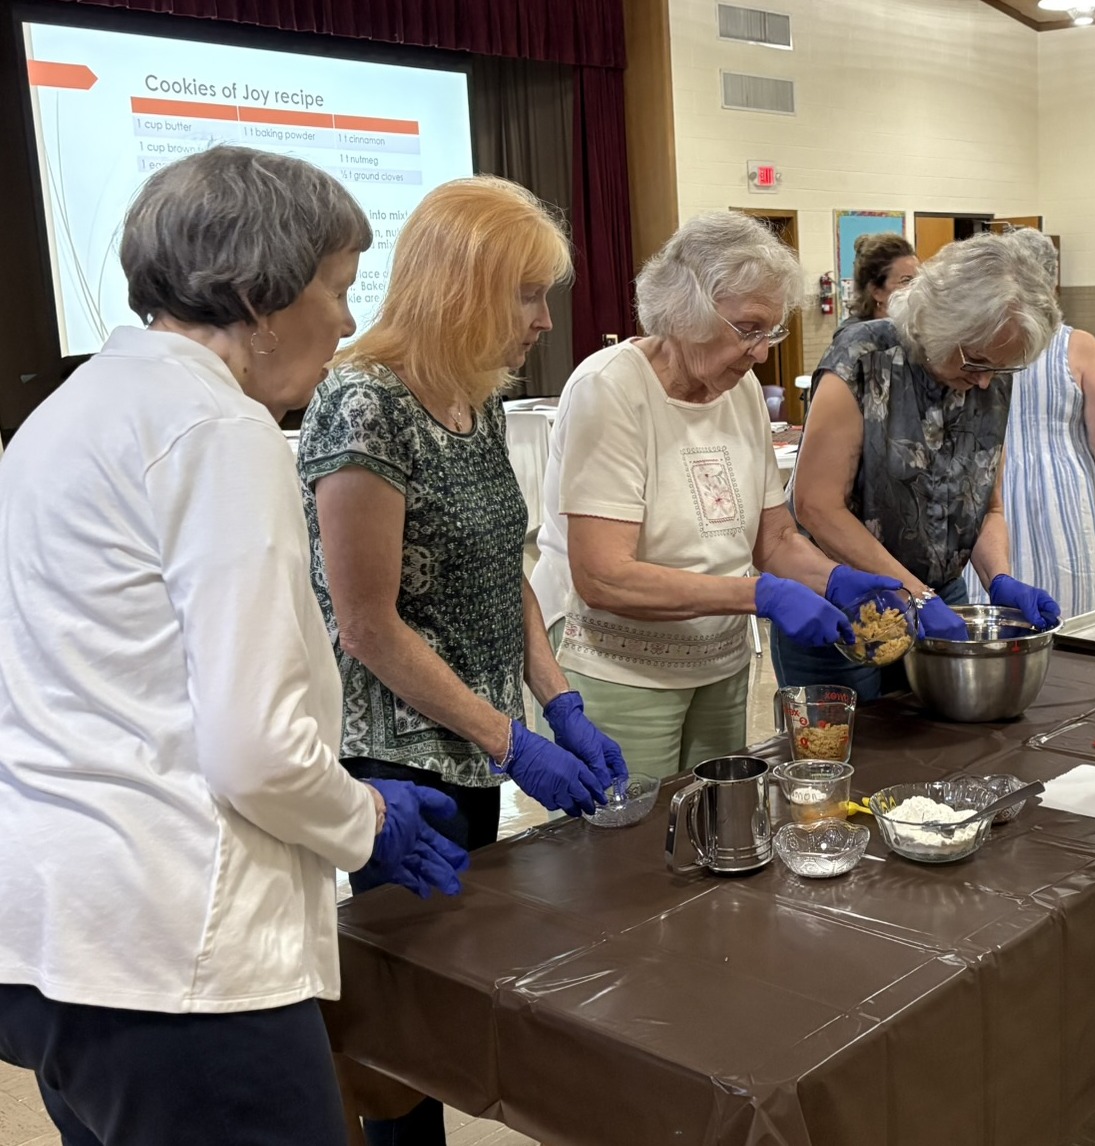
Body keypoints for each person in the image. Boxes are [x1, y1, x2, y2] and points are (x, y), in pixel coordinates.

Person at [0, 148, 463, 1146]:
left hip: (56, 931)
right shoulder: (219, 428)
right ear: (260, 297)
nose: (347, 322)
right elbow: (256, 751)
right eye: (337, 288)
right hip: (175, 948)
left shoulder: (66, 412)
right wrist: (366, 818)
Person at [298, 176, 625, 1144]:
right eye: (526, 295)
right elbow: (366, 625)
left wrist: (558, 701)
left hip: (475, 746)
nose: (543, 321)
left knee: (461, 986)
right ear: (460, 286)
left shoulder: (473, 399)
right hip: (401, 761)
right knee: (407, 1033)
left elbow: (501, 569)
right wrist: (510, 740)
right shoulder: (364, 404)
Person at [530, 211, 897, 772]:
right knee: (632, 827)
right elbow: (604, 576)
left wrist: (835, 580)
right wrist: (759, 596)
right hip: (618, 668)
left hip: (719, 662)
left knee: (714, 818)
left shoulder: (740, 390)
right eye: (748, 328)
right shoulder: (611, 389)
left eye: (771, 331)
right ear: (685, 310)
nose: (762, 352)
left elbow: (774, 539)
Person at [786, 230, 1065, 699]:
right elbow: (816, 505)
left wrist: (999, 578)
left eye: (999, 370)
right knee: (855, 736)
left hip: (937, 597)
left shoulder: (987, 372)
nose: (984, 383)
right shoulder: (862, 360)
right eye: (976, 363)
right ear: (938, 323)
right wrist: (914, 594)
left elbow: (986, 505)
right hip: (841, 601)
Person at [962, 228, 1095, 616]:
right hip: (1064, 498)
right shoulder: (1078, 346)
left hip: (991, 491)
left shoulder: (977, 339)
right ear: (1051, 279)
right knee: (1072, 605)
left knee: (996, 593)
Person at [843, 232, 920, 328]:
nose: (918, 288)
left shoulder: (913, 328)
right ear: (877, 292)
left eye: (919, 279)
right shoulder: (856, 335)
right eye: (906, 281)